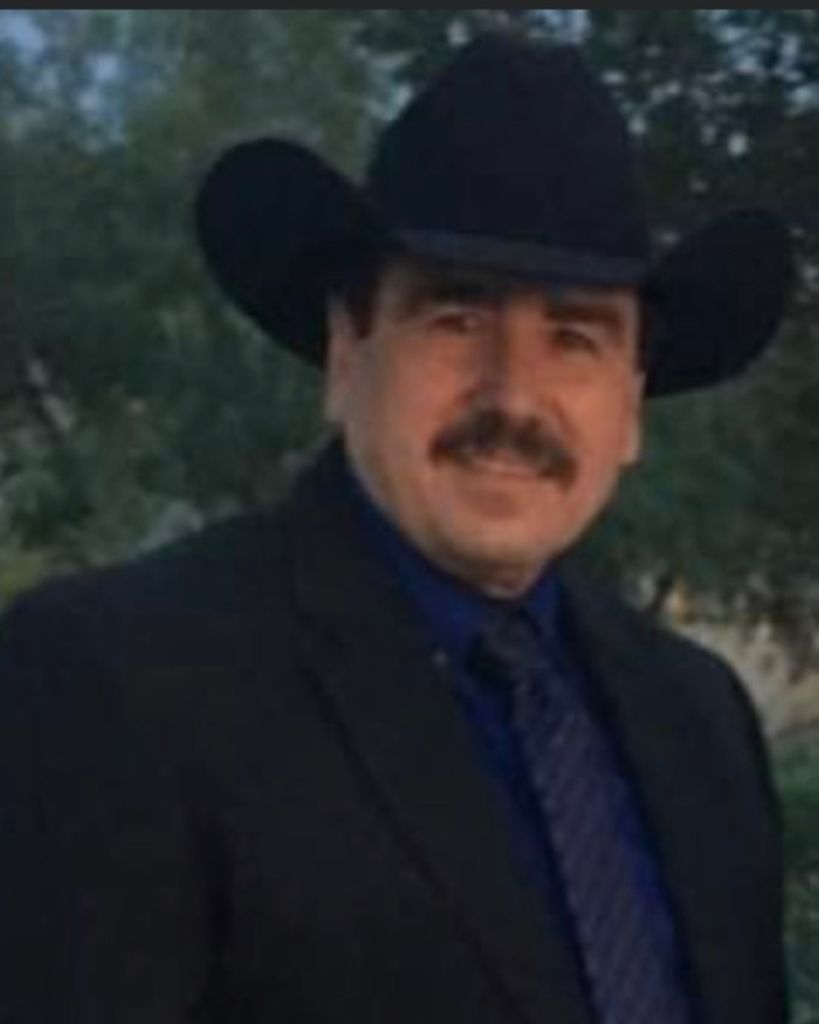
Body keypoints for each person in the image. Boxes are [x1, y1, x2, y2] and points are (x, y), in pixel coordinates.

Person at [0, 30, 794, 1024]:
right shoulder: (119, 678)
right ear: (347, 350)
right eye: (455, 320)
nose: (513, 397)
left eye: (574, 338)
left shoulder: (699, 715)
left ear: (629, 404)